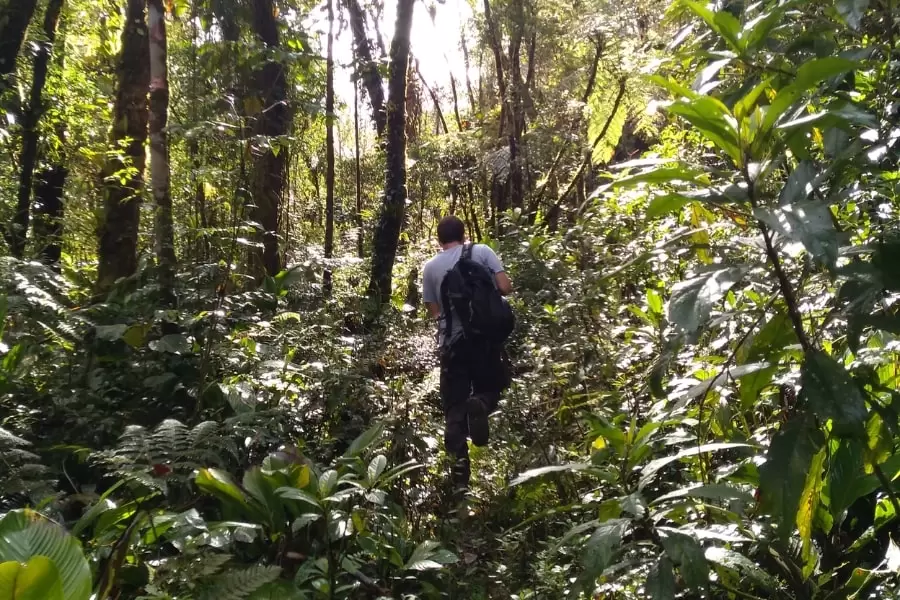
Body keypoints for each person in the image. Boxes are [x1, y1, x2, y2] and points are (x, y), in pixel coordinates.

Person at [422, 215, 512, 491]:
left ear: (439, 239)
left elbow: (434, 311)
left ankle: (460, 483)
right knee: (494, 385)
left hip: (452, 345)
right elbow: (505, 287)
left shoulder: (430, 268)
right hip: (485, 340)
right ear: (464, 235)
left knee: (453, 408)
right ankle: (482, 404)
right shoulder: (482, 252)